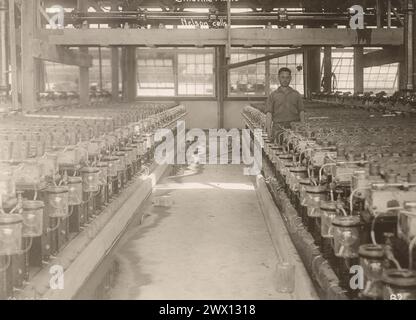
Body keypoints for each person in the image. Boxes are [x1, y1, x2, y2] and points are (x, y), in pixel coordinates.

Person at [265, 67, 305, 143]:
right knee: (277, 151)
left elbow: (301, 112)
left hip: (294, 128)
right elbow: (269, 114)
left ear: (290, 78)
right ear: (278, 78)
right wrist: (269, 132)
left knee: (295, 150)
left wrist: (302, 128)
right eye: (282, 77)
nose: (285, 80)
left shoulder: (296, 94)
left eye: (287, 77)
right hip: (278, 128)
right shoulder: (273, 95)